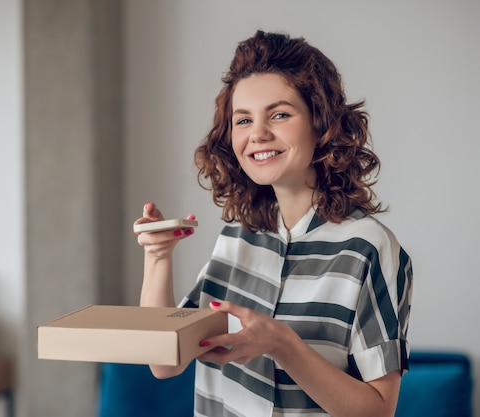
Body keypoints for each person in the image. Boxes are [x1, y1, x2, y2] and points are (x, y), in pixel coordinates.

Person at [134, 30, 413, 417]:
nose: (258, 134)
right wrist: (157, 257)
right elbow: (164, 362)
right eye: (243, 119)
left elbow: (378, 411)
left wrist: (283, 344)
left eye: (280, 114)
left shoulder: (368, 248)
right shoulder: (238, 236)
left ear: (321, 121)